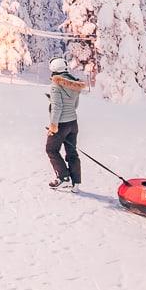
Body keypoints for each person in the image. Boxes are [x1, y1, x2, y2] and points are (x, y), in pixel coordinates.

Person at [45, 57, 87, 191]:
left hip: (61, 124)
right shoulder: (74, 83)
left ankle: (63, 178)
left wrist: (53, 126)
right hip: (73, 123)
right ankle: (76, 183)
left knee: (51, 149)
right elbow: (74, 105)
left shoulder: (56, 85)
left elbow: (57, 107)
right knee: (72, 152)